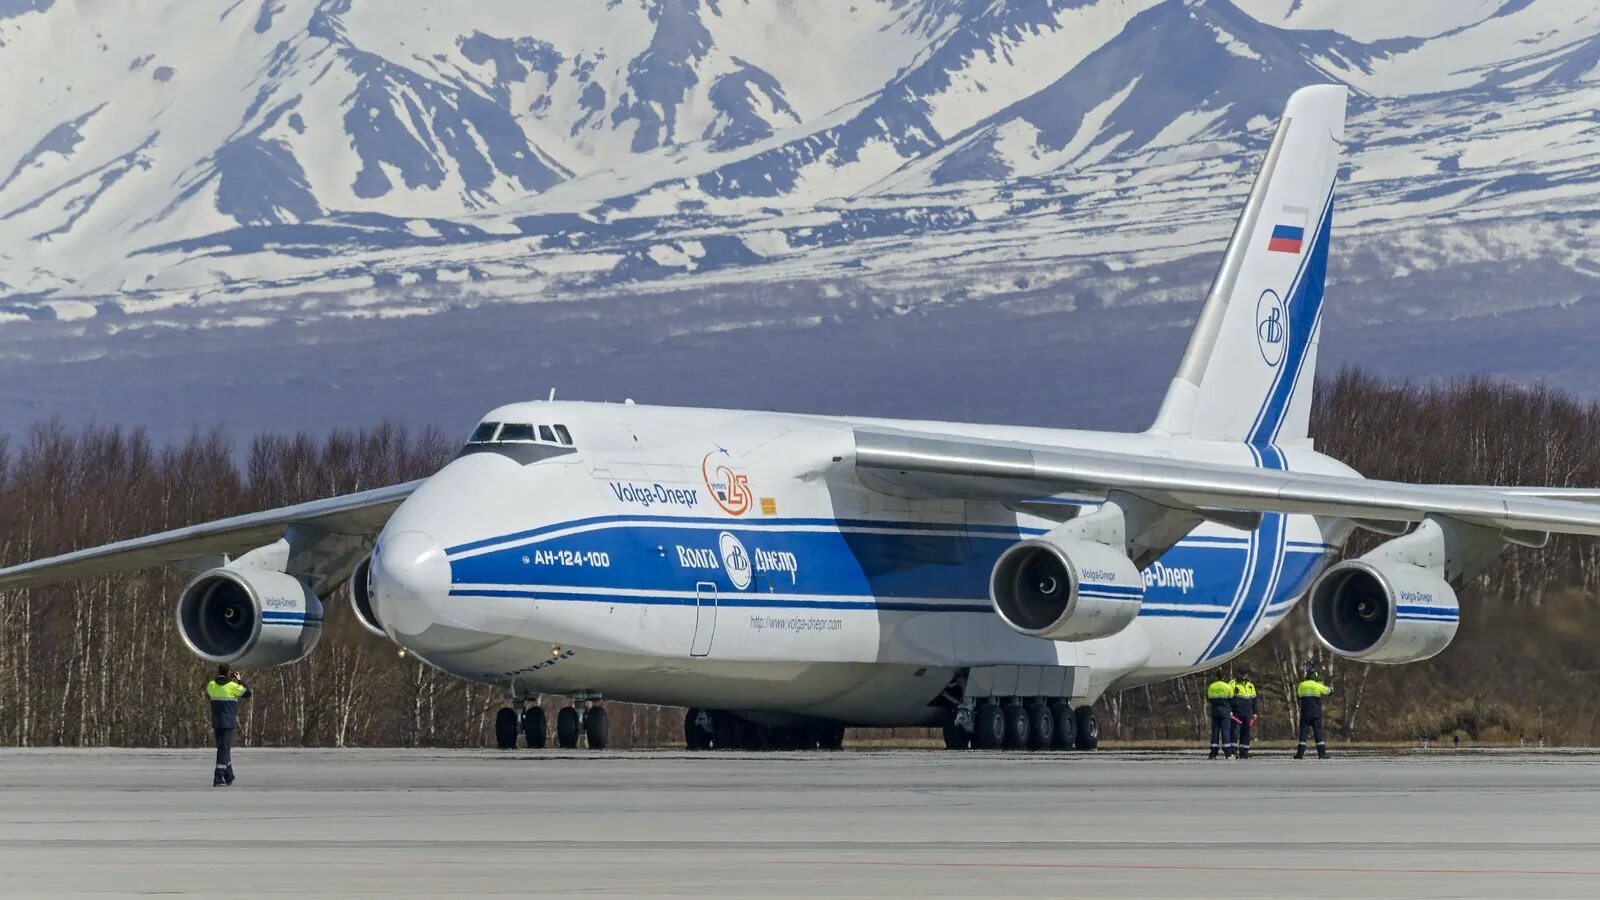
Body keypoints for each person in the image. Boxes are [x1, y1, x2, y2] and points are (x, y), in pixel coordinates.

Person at [205, 664, 252, 786]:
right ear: (228, 673)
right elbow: (248, 693)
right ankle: (218, 778)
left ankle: (229, 776)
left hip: (216, 723)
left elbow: (208, 695)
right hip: (228, 723)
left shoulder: (211, 685)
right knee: (224, 751)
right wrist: (239, 680)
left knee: (223, 749)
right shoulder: (233, 686)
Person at [1294, 665, 1332, 759]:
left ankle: (1300, 754)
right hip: (1316, 713)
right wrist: (1327, 686)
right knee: (1318, 732)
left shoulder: (1301, 685)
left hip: (1305, 713)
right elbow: (1329, 691)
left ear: (1306, 676)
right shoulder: (1317, 685)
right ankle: (1322, 754)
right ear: (1315, 675)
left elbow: (1299, 695)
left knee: (1303, 733)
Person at [1206, 672, 1237, 759]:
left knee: (1215, 732)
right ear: (1224, 677)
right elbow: (1232, 700)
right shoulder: (1228, 686)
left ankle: (1213, 752)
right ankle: (1228, 753)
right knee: (1225, 732)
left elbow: (1210, 699)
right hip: (1225, 712)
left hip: (1215, 712)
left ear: (1216, 677)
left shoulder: (1211, 686)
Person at [1231, 670, 1259, 759]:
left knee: (1246, 733)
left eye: (1245, 674)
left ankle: (1244, 752)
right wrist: (1230, 710)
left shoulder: (1250, 685)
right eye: (1242, 674)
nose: (1244, 676)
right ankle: (1233, 752)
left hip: (1247, 713)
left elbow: (1254, 701)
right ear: (1238, 674)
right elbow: (1229, 698)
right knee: (1235, 732)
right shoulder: (1233, 684)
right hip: (1236, 713)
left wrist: (1255, 712)